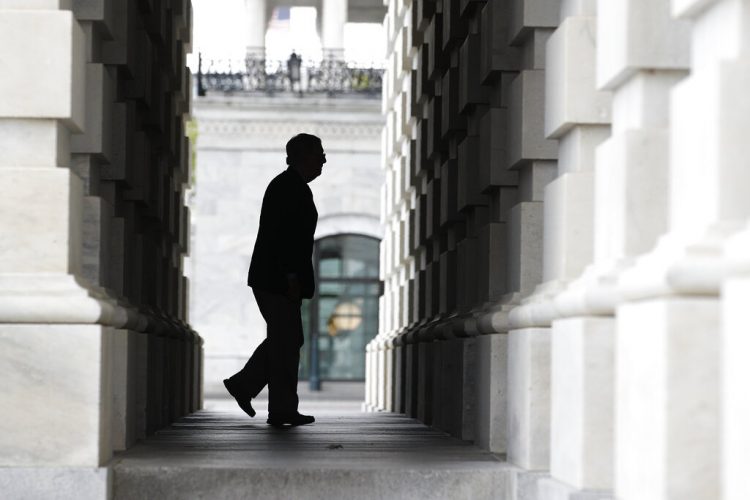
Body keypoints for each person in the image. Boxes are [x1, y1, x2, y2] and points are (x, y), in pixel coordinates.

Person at [223, 133, 325, 427]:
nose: (324, 159)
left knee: (287, 340)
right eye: (319, 153)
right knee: (287, 341)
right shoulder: (288, 187)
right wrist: (291, 278)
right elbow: (284, 239)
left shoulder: (291, 186)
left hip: (274, 278)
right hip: (277, 279)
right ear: (303, 156)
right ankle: (278, 407)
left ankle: (246, 386)